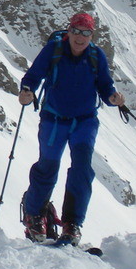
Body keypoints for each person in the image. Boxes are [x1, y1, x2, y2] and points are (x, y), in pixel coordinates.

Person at [18, 12, 124, 245]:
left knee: (82, 168)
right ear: (69, 31)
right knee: (48, 166)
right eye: (76, 31)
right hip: (54, 120)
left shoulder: (96, 56)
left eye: (86, 33)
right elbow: (34, 75)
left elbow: (105, 85)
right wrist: (27, 90)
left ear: (91, 35)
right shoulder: (54, 50)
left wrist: (112, 98)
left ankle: (72, 222)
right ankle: (34, 214)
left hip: (84, 122)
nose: (80, 37)